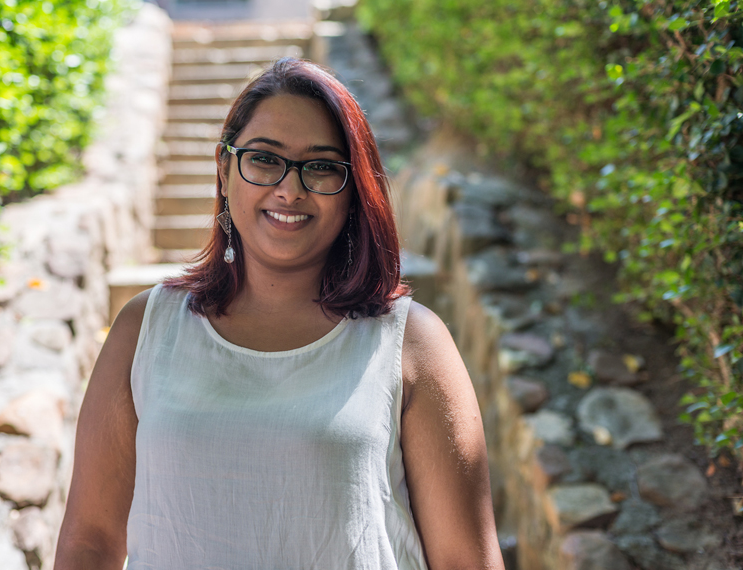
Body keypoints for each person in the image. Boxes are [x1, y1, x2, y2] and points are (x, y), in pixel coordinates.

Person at [55, 58, 504, 570]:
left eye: (322, 167)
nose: (290, 189)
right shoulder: (146, 328)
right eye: (265, 159)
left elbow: (466, 560)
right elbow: (89, 541)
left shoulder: (410, 340)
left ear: (355, 190)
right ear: (224, 169)